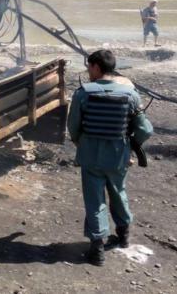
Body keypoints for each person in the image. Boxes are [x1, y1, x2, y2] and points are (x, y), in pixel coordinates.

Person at [67, 49, 153, 265]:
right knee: (118, 192)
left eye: (89, 67)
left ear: (96, 67)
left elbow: (73, 126)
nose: (88, 71)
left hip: (90, 156)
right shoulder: (130, 94)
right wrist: (130, 145)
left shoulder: (82, 93)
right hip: (118, 156)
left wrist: (81, 144)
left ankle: (97, 250)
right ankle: (123, 236)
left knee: (94, 201)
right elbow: (145, 129)